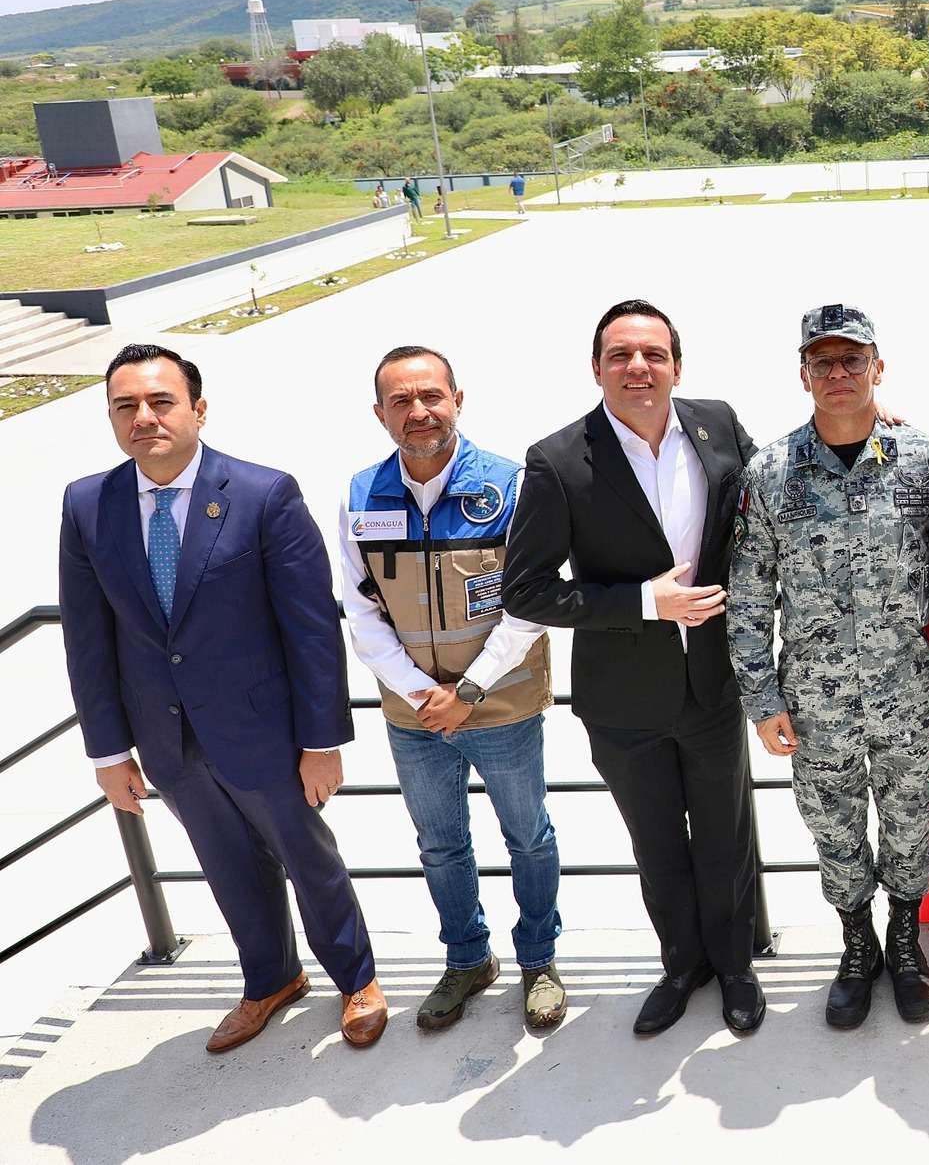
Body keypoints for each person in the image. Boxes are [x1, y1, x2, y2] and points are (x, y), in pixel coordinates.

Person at [58, 344, 385, 1053]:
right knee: (227, 865)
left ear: (198, 409)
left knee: (308, 860)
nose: (144, 418)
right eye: (125, 406)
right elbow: (87, 638)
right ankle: (270, 979)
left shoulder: (264, 494)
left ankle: (355, 978)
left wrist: (322, 740)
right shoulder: (88, 505)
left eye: (161, 401)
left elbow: (311, 629)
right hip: (166, 739)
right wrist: (109, 752)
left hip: (266, 732)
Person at [504, 299, 766, 1036]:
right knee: (656, 843)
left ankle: (735, 966)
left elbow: (772, 491)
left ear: (677, 366)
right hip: (623, 701)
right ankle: (682, 966)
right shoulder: (558, 460)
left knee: (725, 837)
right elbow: (526, 590)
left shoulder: (717, 425)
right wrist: (644, 603)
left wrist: (874, 426)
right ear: (597, 369)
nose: (637, 367)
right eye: (620, 355)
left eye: (653, 354)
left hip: (712, 685)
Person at [728, 304, 929, 1029]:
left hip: (908, 691)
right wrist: (761, 700)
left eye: (853, 359)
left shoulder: (924, 461)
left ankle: (905, 941)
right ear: (803, 376)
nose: (838, 373)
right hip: (816, 700)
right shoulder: (771, 471)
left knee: (911, 823)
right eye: (822, 362)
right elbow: (750, 594)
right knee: (834, 829)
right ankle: (858, 946)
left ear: (878, 367)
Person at [338, 346, 565, 1033]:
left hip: (502, 704)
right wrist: (419, 693)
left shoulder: (510, 484)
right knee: (440, 846)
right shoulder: (360, 496)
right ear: (379, 414)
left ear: (457, 400)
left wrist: (467, 689)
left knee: (528, 837)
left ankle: (538, 961)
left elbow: (530, 603)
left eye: (431, 396)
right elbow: (362, 613)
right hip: (415, 717)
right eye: (401, 401)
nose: (419, 412)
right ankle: (467, 959)